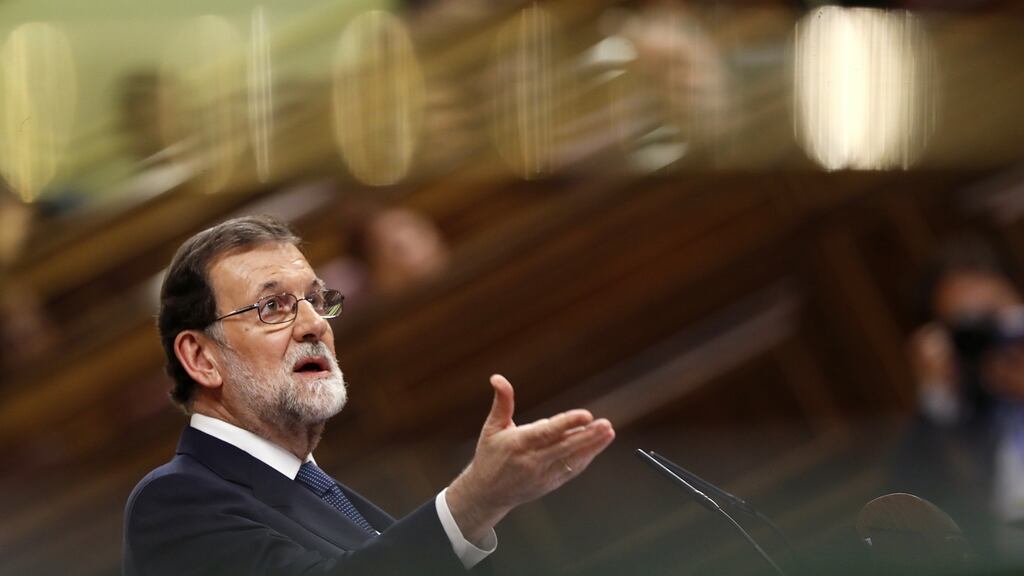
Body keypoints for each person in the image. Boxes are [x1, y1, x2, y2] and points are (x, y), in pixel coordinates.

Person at [122, 215, 615, 576]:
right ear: (201, 358)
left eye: (316, 299)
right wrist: (473, 502)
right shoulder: (173, 502)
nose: (315, 324)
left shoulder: (318, 487)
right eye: (273, 307)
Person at [896, 234, 1024, 567]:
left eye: (994, 317)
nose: (991, 341)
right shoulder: (955, 420)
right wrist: (937, 399)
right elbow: (916, 519)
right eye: (969, 330)